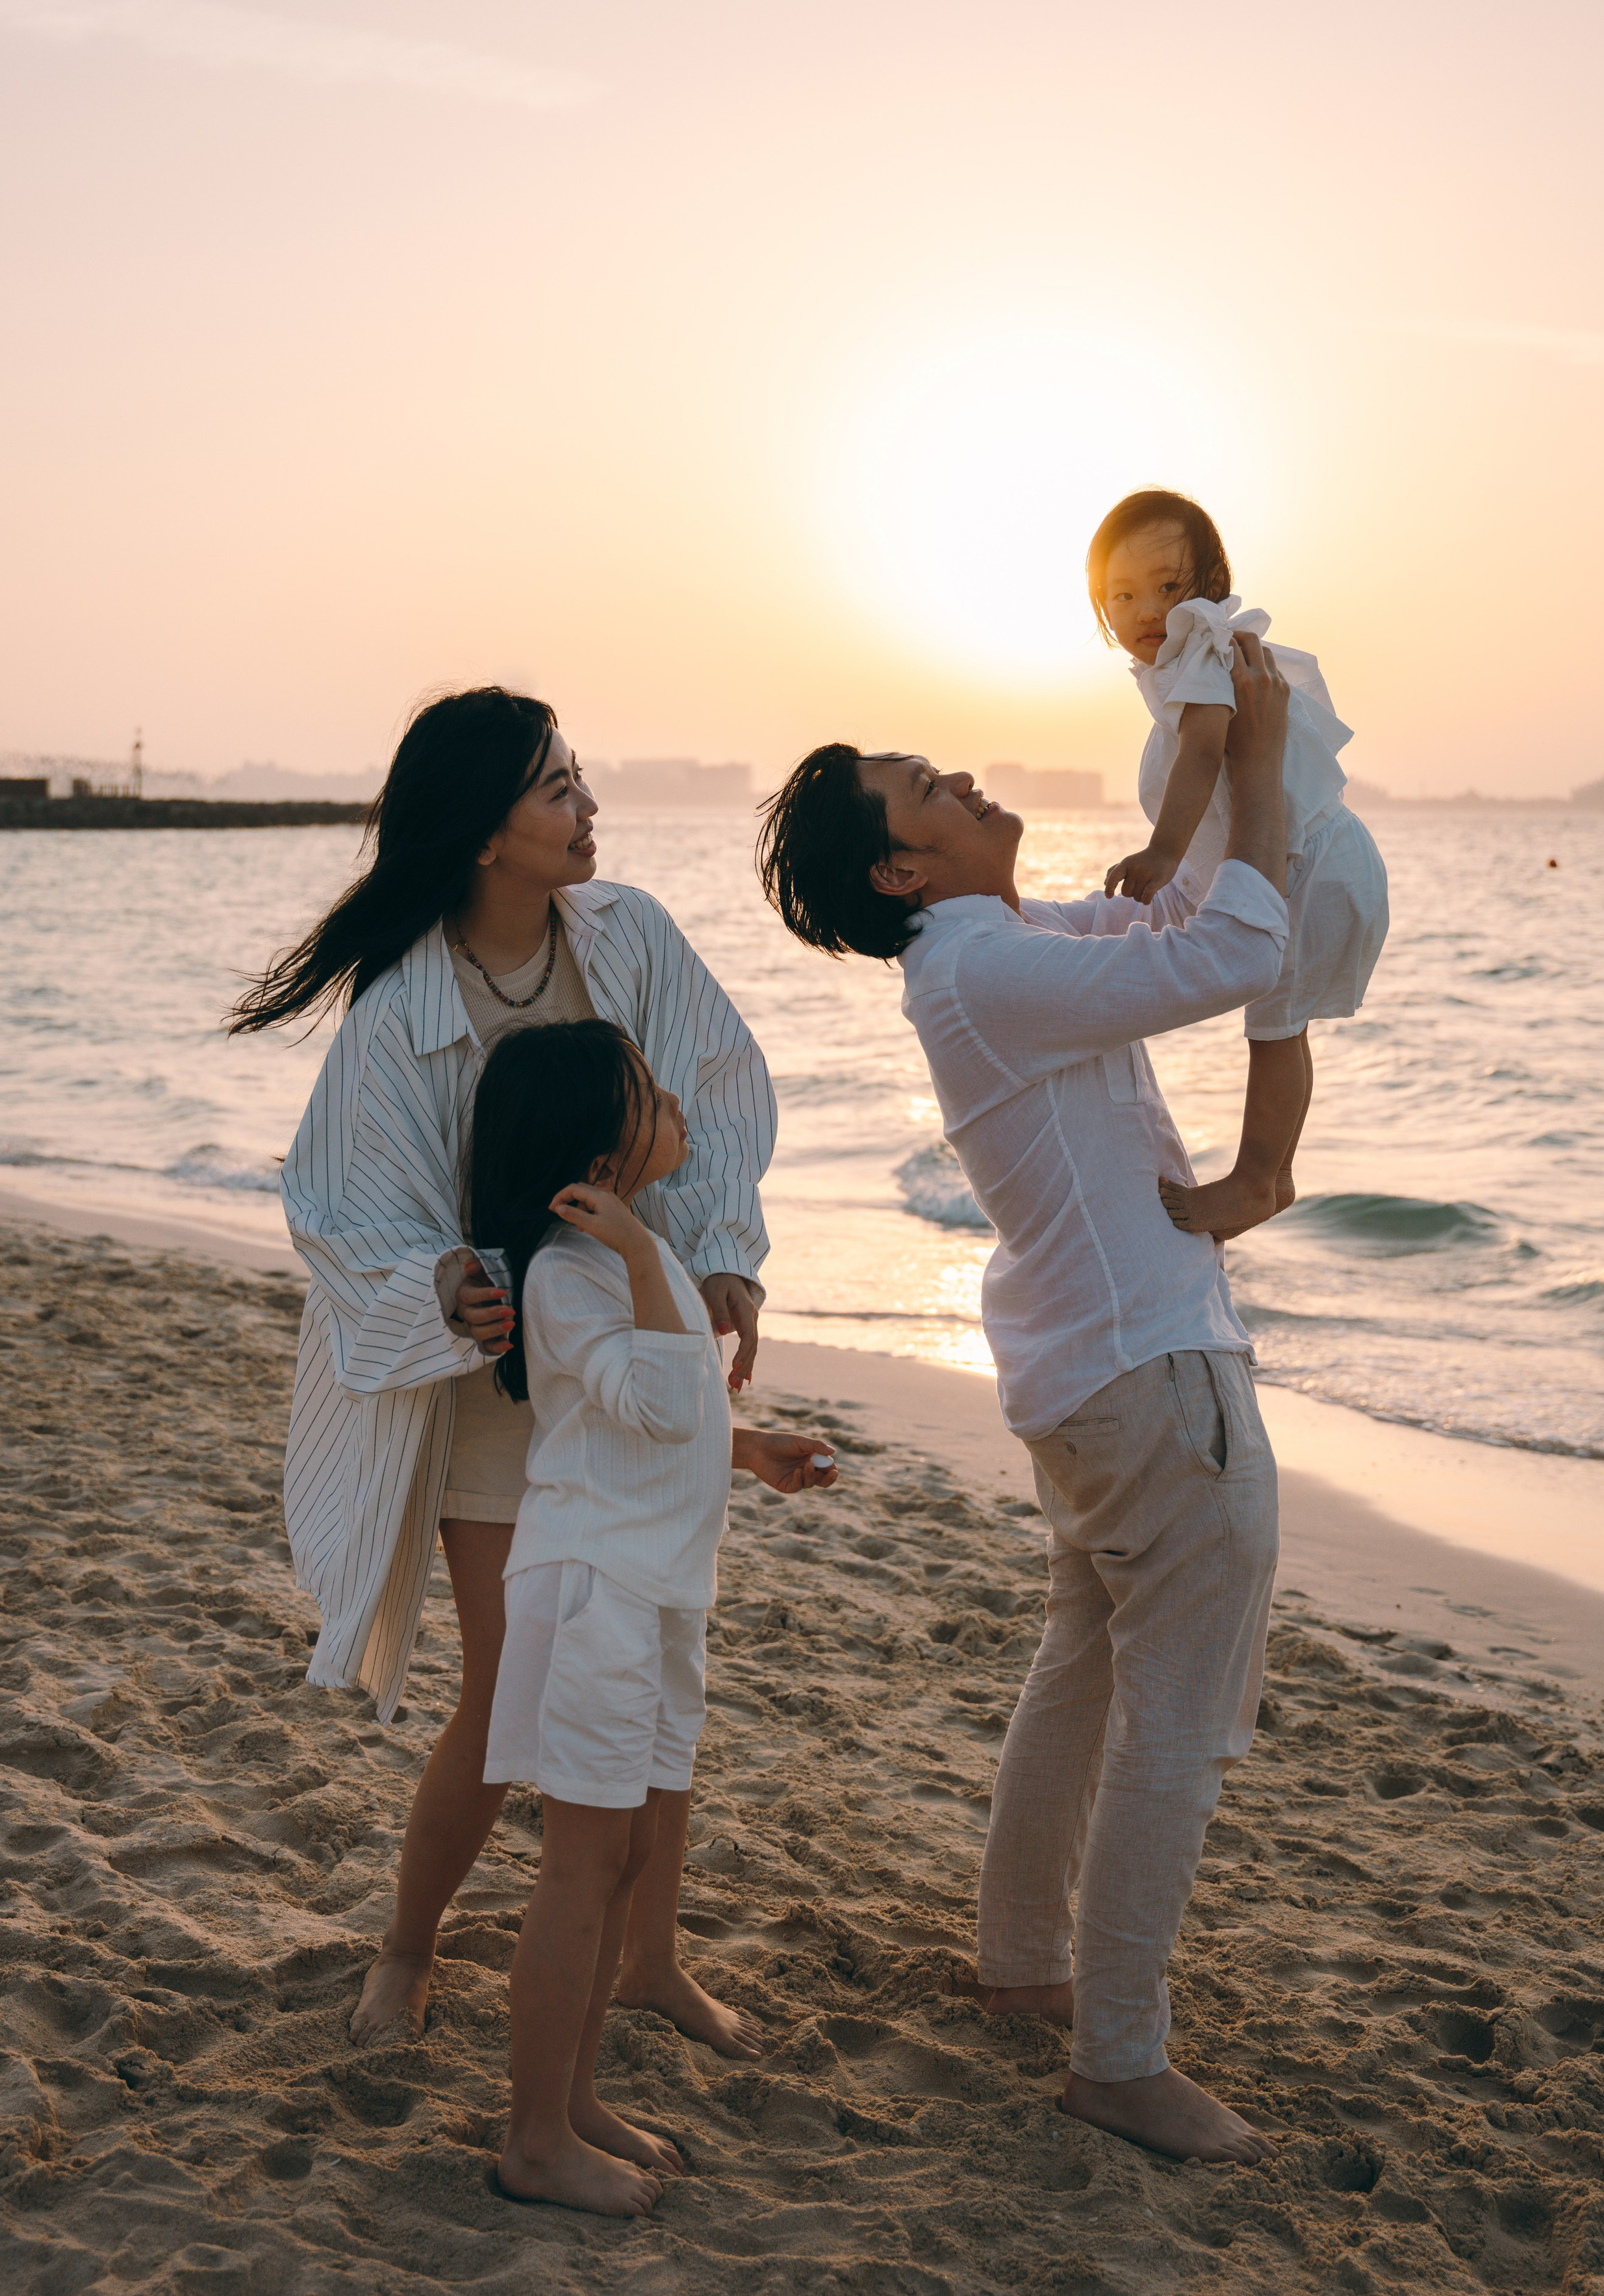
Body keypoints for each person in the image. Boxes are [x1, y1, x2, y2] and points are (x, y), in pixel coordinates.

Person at [756, 631, 1292, 2165]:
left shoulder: (989, 948)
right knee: (1169, 1719)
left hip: (1089, 1370)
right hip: (1142, 1373)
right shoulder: (983, 965)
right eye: (925, 789)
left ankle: (1020, 1965)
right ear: (900, 877)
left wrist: (1199, 752)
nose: (962, 778)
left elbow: (1178, 914)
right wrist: (1255, 766)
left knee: (1080, 1663)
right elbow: (1231, 956)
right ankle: (1115, 2059)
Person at [230, 685, 777, 2056]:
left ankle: (650, 1957)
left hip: (634, 1343)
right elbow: (343, 1203)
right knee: (503, 1690)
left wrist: (718, 1255)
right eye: (557, 789)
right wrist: (445, 1285)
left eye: (580, 780)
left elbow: (708, 1091)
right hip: (495, 1392)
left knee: (658, 1656)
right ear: (486, 834)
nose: (588, 807)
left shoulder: (626, 936)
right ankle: (403, 1952)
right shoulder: (402, 1002)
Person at [467, 1020, 835, 2212]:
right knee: (581, 1862)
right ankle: (533, 2135)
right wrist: (629, 1254)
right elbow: (655, 1400)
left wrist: (753, 1446)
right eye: (647, 1090)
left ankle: (573, 2100)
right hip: (593, 1591)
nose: (674, 1098)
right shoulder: (568, 1273)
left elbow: (663, 1419)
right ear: (603, 1152)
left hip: (657, 1585)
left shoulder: (638, 1257)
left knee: (625, 1850)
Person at [1088, 488, 1389, 1241]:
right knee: (1284, 1026)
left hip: (1310, 866)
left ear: (1211, 581)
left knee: (1276, 1028)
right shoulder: (1194, 655)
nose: (1147, 610)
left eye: (1167, 586)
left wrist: (1161, 850)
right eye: (1121, 594)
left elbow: (1204, 751)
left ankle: (1258, 1180)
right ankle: (1273, 1174)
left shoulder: (1203, 647)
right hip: (1322, 860)